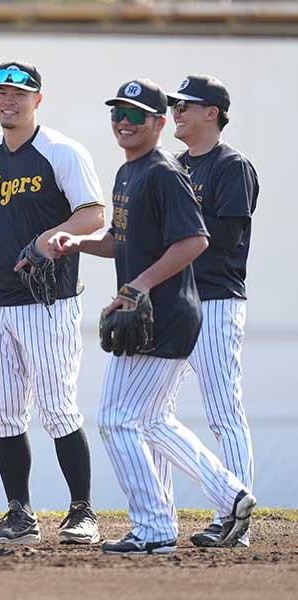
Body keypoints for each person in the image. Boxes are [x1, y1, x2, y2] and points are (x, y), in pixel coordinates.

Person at [49, 78, 255, 555]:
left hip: (164, 313)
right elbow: (122, 239)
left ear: (158, 123)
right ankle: (231, 494)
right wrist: (75, 242)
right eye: (117, 113)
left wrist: (137, 286)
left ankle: (155, 527)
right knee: (153, 420)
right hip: (158, 310)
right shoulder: (129, 172)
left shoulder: (163, 172)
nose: (124, 121)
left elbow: (196, 240)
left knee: (116, 420)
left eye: (136, 114)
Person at [0, 61, 105, 545]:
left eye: (19, 93)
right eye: (1, 92)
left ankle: (82, 511)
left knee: (58, 408)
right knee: (3, 411)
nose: (8, 101)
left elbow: (93, 213)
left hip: (49, 300)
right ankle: (19, 513)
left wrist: (46, 238)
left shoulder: (60, 151)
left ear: (38, 99)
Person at [164, 75, 259, 548]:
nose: (177, 112)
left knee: (223, 411)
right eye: (175, 105)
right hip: (175, 303)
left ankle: (233, 517)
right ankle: (158, 519)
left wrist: (172, 244)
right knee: (152, 410)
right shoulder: (175, 166)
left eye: (187, 104)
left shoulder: (230, 165)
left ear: (213, 112)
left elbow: (226, 238)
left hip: (217, 300)